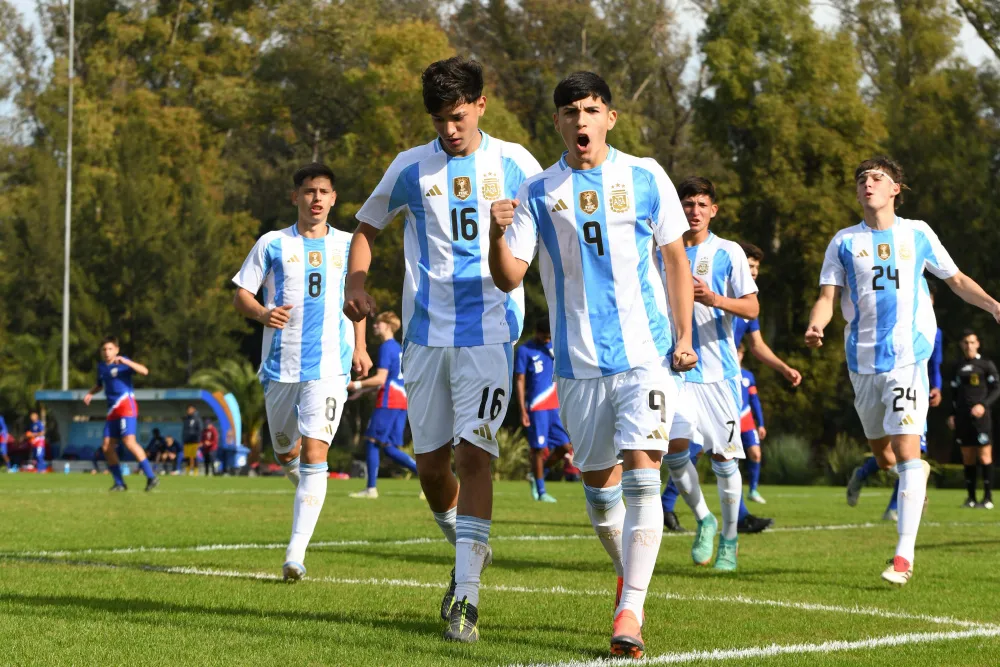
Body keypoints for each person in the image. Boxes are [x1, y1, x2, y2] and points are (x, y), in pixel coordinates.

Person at [489, 71, 695, 658]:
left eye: (591, 109)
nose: (581, 120)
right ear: (555, 122)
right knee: (602, 499)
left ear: (610, 117)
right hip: (576, 365)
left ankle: (630, 609)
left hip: (646, 357)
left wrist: (682, 336)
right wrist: (494, 235)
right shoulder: (535, 190)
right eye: (570, 111)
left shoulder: (647, 175)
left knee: (642, 473)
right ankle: (629, 577)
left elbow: (676, 260)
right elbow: (510, 276)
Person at [344, 57, 541, 643]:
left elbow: (542, 247)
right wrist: (356, 281)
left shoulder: (516, 165)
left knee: (474, 456)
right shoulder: (410, 166)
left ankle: (467, 597)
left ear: (482, 103)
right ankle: (468, 553)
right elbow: (366, 229)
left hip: (490, 330)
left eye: (457, 116)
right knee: (431, 466)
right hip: (424, 336)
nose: (449, 129)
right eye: (438, 119)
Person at [805, 155, 1000, 586]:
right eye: (861, 180)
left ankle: (903, 556)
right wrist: (817, 323)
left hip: (907, 358)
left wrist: (994, 306)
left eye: (877, 178)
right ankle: (874, 468)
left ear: (896, 189)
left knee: (909, 456)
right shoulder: (843, 242)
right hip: (862, 362)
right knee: (885, 456)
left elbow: (956, 279)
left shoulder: (918, 234)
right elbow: (826, 295)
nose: (867, 184)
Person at [234, 161, 365, 582]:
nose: (317, 199)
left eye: (324, 192)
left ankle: (295, 554)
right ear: (296, 197)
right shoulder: (272, 243)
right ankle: (312, 488)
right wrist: (262, 313)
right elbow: (241, 294)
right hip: (280, 367)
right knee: (286, 452)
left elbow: (355, 298)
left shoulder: (348, 245)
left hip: (329, 365)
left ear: (334, 199)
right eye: (309, 191)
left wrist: (361, 347)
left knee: (314, 454)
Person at [657, 176, 759, 574]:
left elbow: (752, 309)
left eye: (701, 204)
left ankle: (730, 541)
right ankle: (704, 519)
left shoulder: (728, 252)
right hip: (676, 371)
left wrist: (714, 298)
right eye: (687, 204)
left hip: (718, 374)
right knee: (674, 450)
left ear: (713, 210)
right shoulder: (664, 250)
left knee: (723, 458)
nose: (693, 211)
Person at [848, 283, 944, 521]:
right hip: (889, 384)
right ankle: (863, 473)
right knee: (890, 455)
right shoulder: (897, 324)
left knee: (914, 453)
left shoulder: (935, 331)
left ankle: (895, 508)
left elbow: (935, 365)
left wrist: (937, 388)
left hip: (917, 390)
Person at [348, 311, 418, 499]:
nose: (374, 326)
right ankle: (434, 477)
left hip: (388, 401)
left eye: (377, 323)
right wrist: (363, 391)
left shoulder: (386, 347)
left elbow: (381, 379)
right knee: (387, 447)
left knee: (371, 441)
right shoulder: (398, 348)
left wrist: (356, 384)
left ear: (387, 325)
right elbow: (391, 379)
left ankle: (371, 489)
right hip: (401, 401)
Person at [83, 336, 159, 491]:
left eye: (110, 349)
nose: (107, 352)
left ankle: (151, 476)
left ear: (116, 350)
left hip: (126, 405)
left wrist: (127, 362)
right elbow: (100, 384)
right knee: (106, 447)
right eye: (104, 349)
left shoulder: (123, 363)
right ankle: (119, 483)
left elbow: (144, 371)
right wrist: (90, 393)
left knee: (129, 442)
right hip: (112, 410)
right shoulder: (102, 367)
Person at [514, 319, 573, 503]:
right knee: (538, 449)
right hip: (536, 406)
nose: (547, 339)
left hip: (554, 406)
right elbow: (520, 380)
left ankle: (537, 475)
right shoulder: (525, 350)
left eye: (549, 337)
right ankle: (540, 491)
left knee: (565, 447)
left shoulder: (554, 346)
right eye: (544, 336)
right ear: (536, 332)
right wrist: (522, 408)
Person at [947, 330, 997, 510]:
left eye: (972, 342)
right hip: (962, 418)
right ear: (962, 345)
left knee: (984, 456)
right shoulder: (957, 367)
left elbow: (996, 389)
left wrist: (983, 405)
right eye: (966, 342)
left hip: (981, 419)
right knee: (967, 457)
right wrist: (952, 414)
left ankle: (988, 498)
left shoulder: (985, 365)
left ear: (978, 344)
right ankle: (971, 498)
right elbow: (952, 393)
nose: (969, 345)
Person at [737, 344, 767, 503]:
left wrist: (761, 423)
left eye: (740, 353)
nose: (737, 355)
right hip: (729, 419)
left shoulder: (748, 376)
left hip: (747, 420)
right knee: (728, 458)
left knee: (756, 454)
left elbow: (755, 400)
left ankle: (753, 490)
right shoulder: (724, 374)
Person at [181, 405, 203, 476]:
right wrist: (184, 438)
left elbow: (199, 430)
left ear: (193, 410)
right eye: (188, 410)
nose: (188, 411)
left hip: (194, 441)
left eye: (190, 409)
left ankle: (195, 471)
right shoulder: (186, 419)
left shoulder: (197, 419)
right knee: (187, 456)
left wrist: (199, 440)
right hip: (187, 441)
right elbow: (184, 430)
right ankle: (187, 470)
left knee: (194, 456)